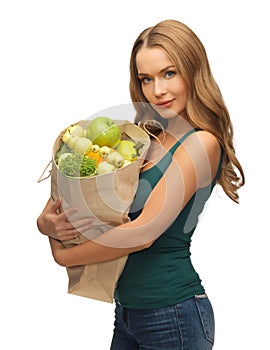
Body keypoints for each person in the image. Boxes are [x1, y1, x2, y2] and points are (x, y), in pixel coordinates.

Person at [37, 19, 245, 350]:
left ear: (194, 70)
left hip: (173, 313)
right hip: (128, 313)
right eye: (146, 79)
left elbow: (143, 233)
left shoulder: (201, 143)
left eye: (169, 73)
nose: (157, 90)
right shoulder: (146, 137)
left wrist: (66, 256)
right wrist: (47, 224)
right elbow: (101, 210)